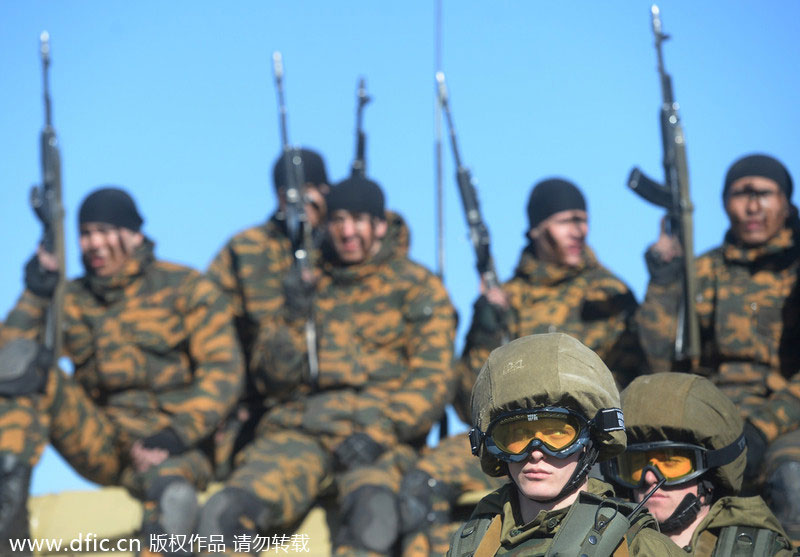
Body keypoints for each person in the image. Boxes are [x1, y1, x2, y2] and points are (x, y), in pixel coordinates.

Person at [197, 175, 457, 556]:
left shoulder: (417, 287)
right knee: (225, 512)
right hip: (299, 433)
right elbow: (272, 380)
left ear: (380, 225)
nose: (347, 232)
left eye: (358, 220)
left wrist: (380, 432)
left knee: (375, 515)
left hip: (377, 438)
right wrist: (290, 315)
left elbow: (433, 379)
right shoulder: (307, 282)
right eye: (338, 221)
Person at [400, 178, 647, 556]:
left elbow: (635, 379)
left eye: (583, 220)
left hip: (580, 445)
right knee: (424, 481)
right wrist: (485, 327)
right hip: (514, 441)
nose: (579, 230)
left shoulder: (608, 294)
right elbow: (470, 402)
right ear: (536, 228)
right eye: (567, 220)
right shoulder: (509, 298)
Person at [0, 186, 244, 555]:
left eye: (104, 231)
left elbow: (224, 372)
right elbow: (10, 362)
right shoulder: (73, 298)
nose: (94, 244)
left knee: (174, 500)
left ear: (134, 234)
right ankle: (7, 518)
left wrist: (176, 434)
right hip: (106, 443)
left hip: (177, 447)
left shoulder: (186, 287)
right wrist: (36, 292)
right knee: (30, 368)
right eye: (85, 234)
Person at [637, 153, 800, 541]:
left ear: (786, 201)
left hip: (788, 417)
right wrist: (664, 279)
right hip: (715, 414)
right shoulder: (704, 270)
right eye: (741, 194)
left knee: (791, 479)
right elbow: (660, 360)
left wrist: (762, 429)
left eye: (765, 193)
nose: (753, 205)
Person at [447, 332, 681, 556]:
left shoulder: (636, 547)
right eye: (517, 436)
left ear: (590, 439)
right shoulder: (473, 544)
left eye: (557, 434)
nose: (536, 453)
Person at [206, 148, 330, 475]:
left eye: (312, 194)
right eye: (290, 196)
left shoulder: (341, 245)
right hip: (261, 406)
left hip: (335, 403)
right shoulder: (245, 251)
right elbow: (210, 329)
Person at [604, 372, 794, 555]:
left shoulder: (758, 552)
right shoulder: (605, 545)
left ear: (711, 474)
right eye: (636, 464)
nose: (649, 477)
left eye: (670, 462)